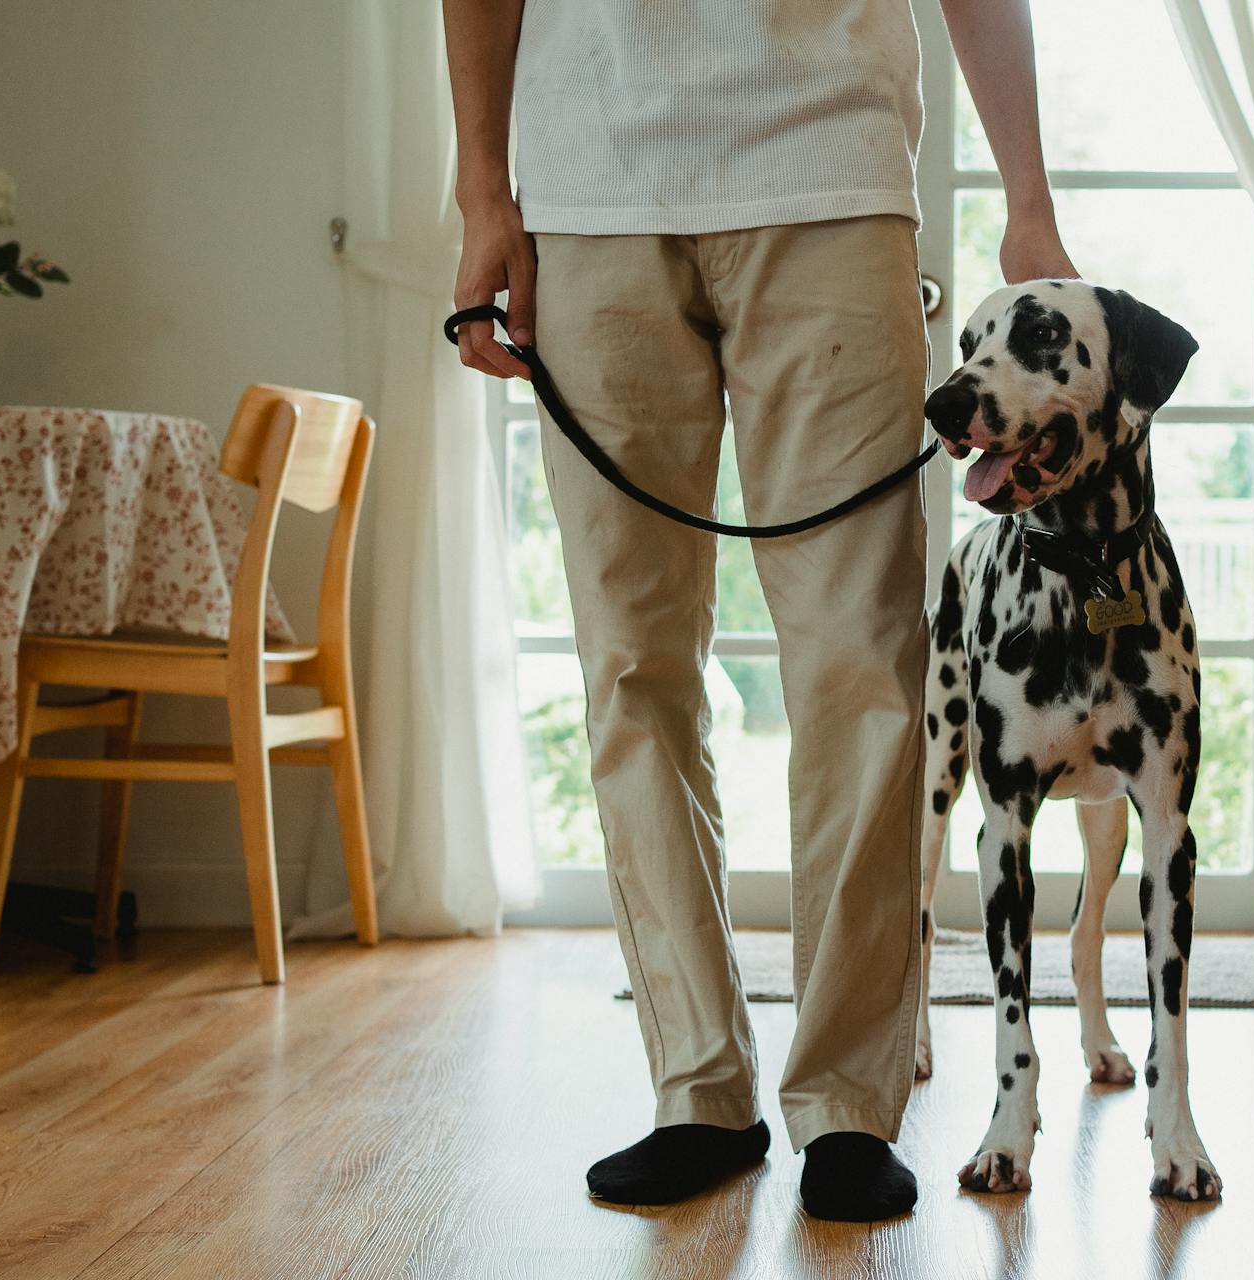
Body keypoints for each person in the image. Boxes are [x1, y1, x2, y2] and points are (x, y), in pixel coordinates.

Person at [445, 0, 1076, 1223]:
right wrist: (484, 194)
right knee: (632, 662)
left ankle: (847, 1100)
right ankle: (699, 1084)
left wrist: (1030, 194)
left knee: (864, 666)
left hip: (831, 172)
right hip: (589, 193)